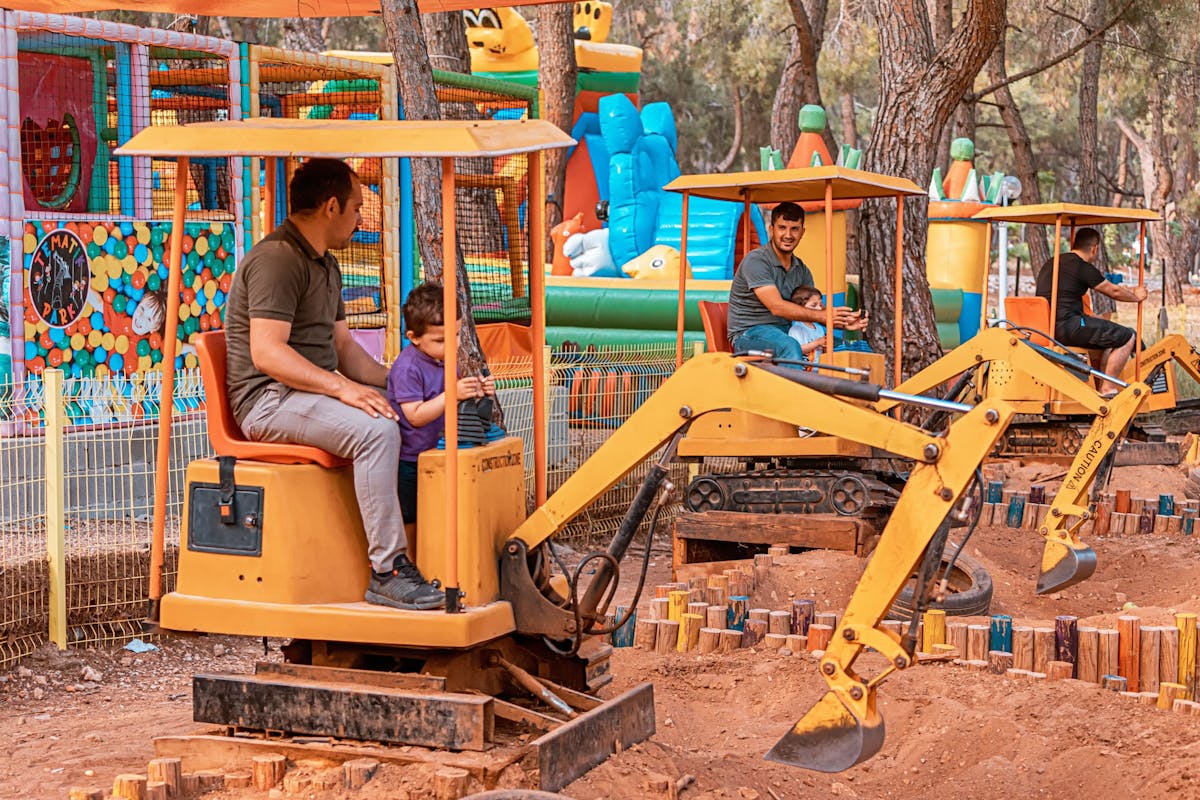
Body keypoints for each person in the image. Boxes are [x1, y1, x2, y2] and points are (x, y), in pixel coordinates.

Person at [223, 157, 444, 611]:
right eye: (357, 207)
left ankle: (410, 526)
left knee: (398, 411)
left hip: (304, 395)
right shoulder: (277, 260)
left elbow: (343, 349)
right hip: (268, 401)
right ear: (330, 207)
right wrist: (342, 389)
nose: (361, 218)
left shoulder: (325, 264)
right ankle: (388, 570)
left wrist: (403, 385)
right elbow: (267, 353)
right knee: (376, 431)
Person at [386, 283, 495, 541]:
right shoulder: (408, 367)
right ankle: (411, 566)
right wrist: (453, 394)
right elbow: (414, 415)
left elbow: (451, 401)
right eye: (440, 340)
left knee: (437, 515)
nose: (452, 345)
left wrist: (475, 390)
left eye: (456, 335)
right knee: (411, 518)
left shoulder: (444, 359)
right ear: (413, 337)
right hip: (410, 459)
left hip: (438, 452)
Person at [726, 201, 865, 360]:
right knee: (789, 346)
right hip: (749, 334)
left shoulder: (801, 270)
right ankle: (793, 386)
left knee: (842, 347)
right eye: (782, 228)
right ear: (772, 230)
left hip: (789, 331)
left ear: (802, 232)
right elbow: (776, 307)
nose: (788, 235)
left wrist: (845, 321)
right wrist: (823, 317)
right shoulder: (756, 261)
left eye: (794, 229)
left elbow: (814, 310)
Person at [1034, 227, 1148, 396]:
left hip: (1047, 327)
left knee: (1111, 335)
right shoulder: (1081, 267)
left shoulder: (1052, 262)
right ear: (1094, 248)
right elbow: (1113, 291)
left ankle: (1101, 385)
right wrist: (1136, 297)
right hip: (1069, 328)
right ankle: (1108, 388)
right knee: (1127, 336)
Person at [787, 286, 827, 361]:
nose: (819, 308)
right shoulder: (796, 329)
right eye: (814, 305)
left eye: (820, 305)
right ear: (800, 308)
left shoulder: (819, 328)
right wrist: (817, 343)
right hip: (805, 369)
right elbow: (797, 350)